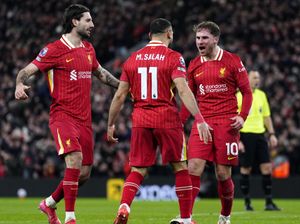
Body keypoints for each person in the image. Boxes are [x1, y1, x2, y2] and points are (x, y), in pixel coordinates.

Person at [14, 4, 119, 224]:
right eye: (88, 20)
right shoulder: (54, 49)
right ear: (74, 22)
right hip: (63, 116)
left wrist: (123, 87)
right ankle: (70, 218)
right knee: (75, 160)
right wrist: (19, 85)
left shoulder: (89, 49)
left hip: (85, 120)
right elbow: (27, 70)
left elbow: (100, 73)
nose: (93, 24)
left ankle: (49, 204)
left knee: (84, 173)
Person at [107, 18, 212, 224]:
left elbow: (120, 95)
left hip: (140, 119)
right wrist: (199, 118)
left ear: (149, 36)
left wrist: (111, 124)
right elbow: (182, 89)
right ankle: (185, 219)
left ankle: (124, 205)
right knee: (180, 166)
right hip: (166, 118)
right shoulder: (174, 57)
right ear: (169, 33)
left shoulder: (132, 59)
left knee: (138, 170)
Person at [180, 21, 253, 224]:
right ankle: (186, 218)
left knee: (222, 174)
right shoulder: (194, 64)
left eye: (204, 38)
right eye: (197, 38)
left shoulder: (232, 61)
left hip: (226, 124)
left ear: (215, 39)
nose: (200, 42)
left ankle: (225, 216)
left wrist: (242, 116)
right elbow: (189, 98)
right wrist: (180, 122)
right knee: (193, 167)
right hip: (202, 122)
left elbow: (247, 93)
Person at [237, 70, 280, 211]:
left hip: (260, 135)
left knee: (267, 167)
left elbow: (266, 116)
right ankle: (247, 203)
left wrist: (272, 134)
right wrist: (237, 139)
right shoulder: (239, 95)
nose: (257, 80)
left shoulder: (262, 95)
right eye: (254, 77)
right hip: (245, 134)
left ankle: (269, 202)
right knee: (246, 169)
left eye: (259, 78)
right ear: (247, 78)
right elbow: (233, 118)